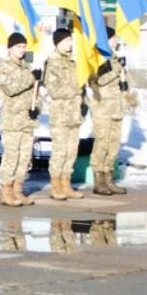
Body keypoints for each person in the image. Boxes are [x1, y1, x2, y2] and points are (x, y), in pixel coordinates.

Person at [0, 33, 39, 207]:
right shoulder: (4, 66)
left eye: (23, 46)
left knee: (24, 157)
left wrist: (36, 107)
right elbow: (11, 88)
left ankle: (18, 189)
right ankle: (7, 191)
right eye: (18, 46)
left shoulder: (26, 66)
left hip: (26, 119)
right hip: (12, 119)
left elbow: (33, 92)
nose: (22, 50)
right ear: (10, 48)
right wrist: (31, 78)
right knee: (11, 156)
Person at [44, 28, 85, 201]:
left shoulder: (74, 61)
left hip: (74, 114)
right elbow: (54, 89)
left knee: (71, 151)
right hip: (60, 114)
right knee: (60, 152)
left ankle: (66, 184)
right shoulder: (52, 62)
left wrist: (83, 102)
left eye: (70, 40)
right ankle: (55, 186)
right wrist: (76, 90)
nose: (70, 44)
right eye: (66, 40)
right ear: (58, 42)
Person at [89, 27, 128, 196]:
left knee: (113, 144)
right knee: (102, 144)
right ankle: (99, 181)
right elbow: (99, 80)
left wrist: (124, 80)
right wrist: (117, 70)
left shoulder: (114, 58)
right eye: (114, 37)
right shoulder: (98, 57)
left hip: (116, 108)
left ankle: (109, 178)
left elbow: (120, 81)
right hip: (102, 108)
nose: (117, 41)